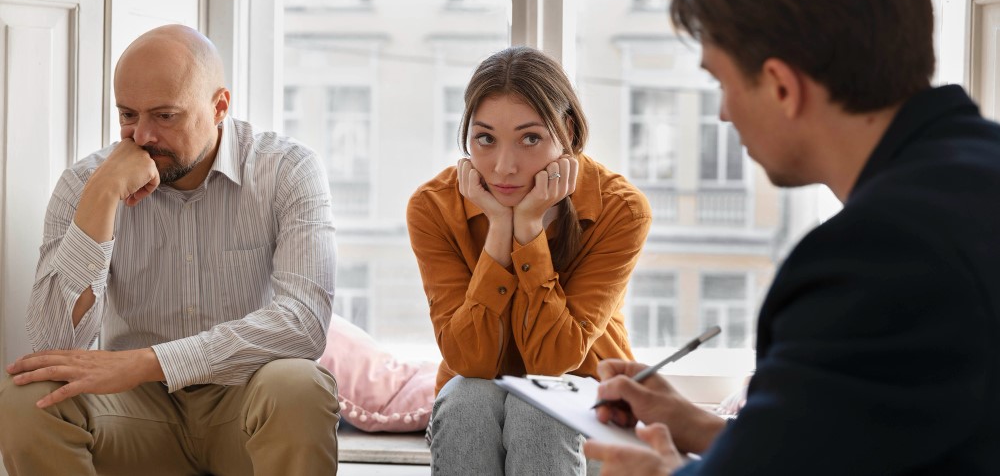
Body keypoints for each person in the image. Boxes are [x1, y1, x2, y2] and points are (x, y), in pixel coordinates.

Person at [582, 0, 1000, 475]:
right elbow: (858, 442)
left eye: (722, 82)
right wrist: (697, 427)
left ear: (780, 86)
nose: (724, 113)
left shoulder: (874, 257)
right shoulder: (976, 171)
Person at [0, 25, 340, 475]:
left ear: (219, 106)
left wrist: (148, 363)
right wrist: (101, 196)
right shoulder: (86, 183)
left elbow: (304, 324)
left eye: (165, 116)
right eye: (127, 115)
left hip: (245, 401)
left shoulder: (288, 170)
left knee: (300, 384)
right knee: (28, 396)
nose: (141, 136)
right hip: (137, 416)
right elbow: (53, 345)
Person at [407, 46, 652, 475]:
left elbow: (554, 360)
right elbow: (470, 361)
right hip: (474, 407)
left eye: (530, 138)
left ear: (568, 132)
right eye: (485, 138)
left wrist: (529, 229)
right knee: (467, 399)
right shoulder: (434, 208)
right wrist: (500, 230)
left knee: (538, 407)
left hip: (589, 418)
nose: (503, 167)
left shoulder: (620, 209)